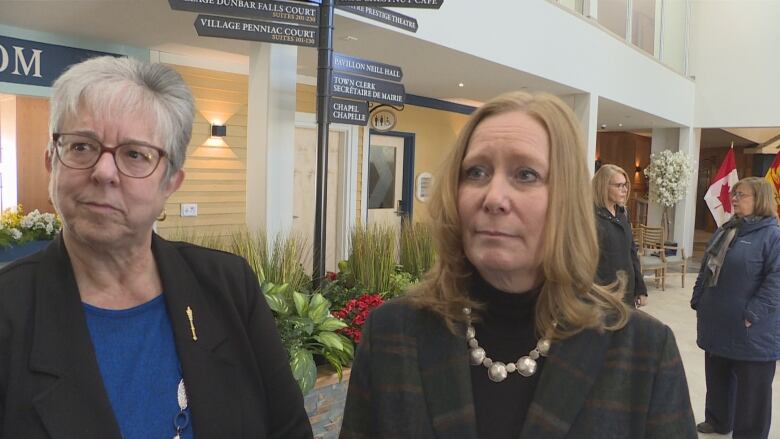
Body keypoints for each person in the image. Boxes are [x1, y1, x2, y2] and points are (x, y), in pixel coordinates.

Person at [339, 91, 696, 438]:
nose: (493, 198)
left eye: (526, 174)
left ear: (566, 198)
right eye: (476, 172)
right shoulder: (393, 334)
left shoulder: (643, 351)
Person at [0, 56, 313, 439]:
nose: (103, 172)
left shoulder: (228, 287)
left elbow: (288, 430)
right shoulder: (8, 310)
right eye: (82, 146)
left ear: (170, 183)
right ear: (52, 162)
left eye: (135, 154)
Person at [691, 176, 780, 439]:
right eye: (735, 194)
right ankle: (718, 420)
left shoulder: (772, 236)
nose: (734, 198)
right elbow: (707, 266)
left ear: (760, 200)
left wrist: (752, 314)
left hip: (751, 325)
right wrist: (699, 298)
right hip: (718, 319)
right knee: (717, 374)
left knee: (752, 386)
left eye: (742, 195)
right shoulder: (726, 229)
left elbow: (776, 282)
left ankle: (750, 433)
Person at [592, 164, 648, 307]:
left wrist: (640, 288)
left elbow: (632, 253)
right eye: (619, 185)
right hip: (603, 294)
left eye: (625, 185)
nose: (625, 190)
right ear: (604, 187)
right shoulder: (590, 217)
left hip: (627, 291)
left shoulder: (622, 214)